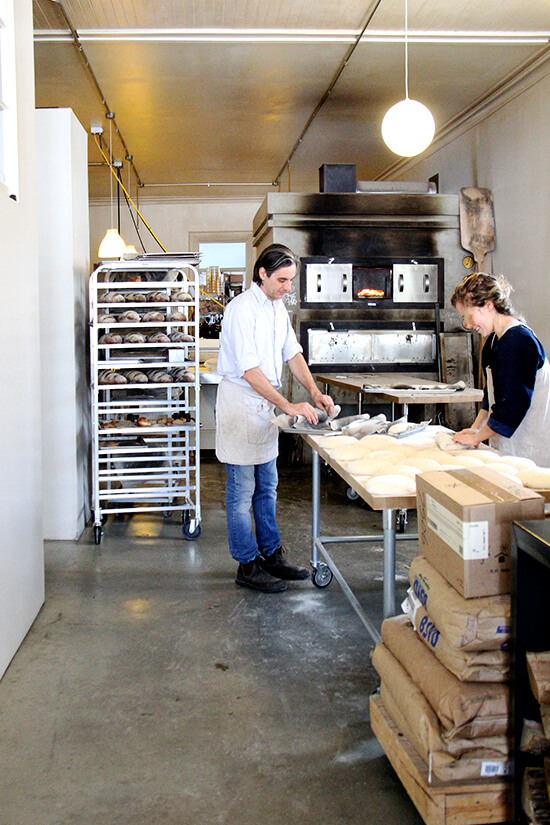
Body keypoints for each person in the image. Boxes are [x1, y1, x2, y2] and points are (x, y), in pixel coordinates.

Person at [215, 243, 335, 593]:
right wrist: (288, 406)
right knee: (241, 493)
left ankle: (271, 554)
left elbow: (292, 353)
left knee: (267, 487)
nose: (287, 287)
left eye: (291, 280)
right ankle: (247, 565)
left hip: (264, 408)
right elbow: (250, 371)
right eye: (282, 279)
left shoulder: (276, 308)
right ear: (262, 274)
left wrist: (313, 392)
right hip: (241, 403)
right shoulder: (241, 310)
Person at [450, 271, 550, 464]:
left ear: (488, 305)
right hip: (510, 444)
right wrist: (476, 428)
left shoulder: (518, 340)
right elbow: (491, 396)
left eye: (470, 316)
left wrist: (477, 438)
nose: (469, 325)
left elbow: (513, 404)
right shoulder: (495, 340)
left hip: (532, 444)